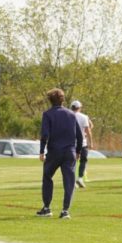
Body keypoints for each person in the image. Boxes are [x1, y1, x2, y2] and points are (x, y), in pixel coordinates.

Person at [37, 88, 84, 219]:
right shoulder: (71, 114)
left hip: (54, 152)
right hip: (69, 152)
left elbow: (45, 134)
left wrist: (41, 150)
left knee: (47, 176)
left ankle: (46, 208)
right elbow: (79, 136)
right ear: (62, 100)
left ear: (50, 100)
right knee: (69, 181)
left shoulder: (47, 114)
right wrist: (78, 151)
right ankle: (65, 210)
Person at [70, 100, 93, 189]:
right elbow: (88, 130)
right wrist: (91, 142)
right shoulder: (84, 117)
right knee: (83, 161)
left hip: (70, 143)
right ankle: (80, 178)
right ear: (79, 108)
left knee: (72, 162)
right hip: (82, 143)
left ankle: (72, 180)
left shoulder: (67, 115)